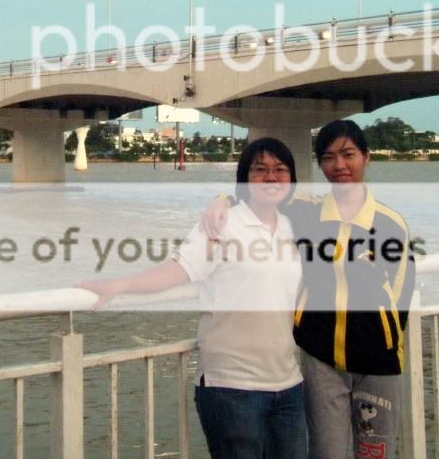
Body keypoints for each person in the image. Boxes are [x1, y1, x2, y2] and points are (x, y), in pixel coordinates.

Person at [79, 137, 307, 459]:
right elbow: (178, 270)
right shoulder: (221, 224)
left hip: (288, 386)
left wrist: (220, 197)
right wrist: (122, 283)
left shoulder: (293, 227)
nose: (271, 177)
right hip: (232, 388)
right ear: (244, 177)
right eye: (260, 169)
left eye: (280, 170)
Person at [204, 120, 415, 459]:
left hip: (378, 363)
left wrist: (387, 341)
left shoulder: (390, 224)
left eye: (348, 155)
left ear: (366, 158)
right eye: (328, 158)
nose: (339, 165)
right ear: (320, 164)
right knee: (326, 452)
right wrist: (221, 200)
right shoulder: (306, 212)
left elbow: (401, 291)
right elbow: (260, 194)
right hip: (321, 360)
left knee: (375, 452)